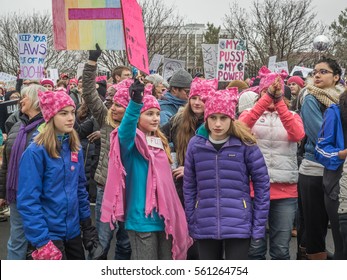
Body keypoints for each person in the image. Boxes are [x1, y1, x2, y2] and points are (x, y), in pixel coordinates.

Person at [101, 80, 193, 259]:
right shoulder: (132, 143)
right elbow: (125, 132)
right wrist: (135, 104)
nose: (156, 118)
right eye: (149, 114)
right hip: (142, 220)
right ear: (138, 117)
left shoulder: (160, 142)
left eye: (157, 114)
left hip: (164, 219)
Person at [183, 87, 270, 260]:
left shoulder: (245, 144)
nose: (217, 124)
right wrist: (192, 218)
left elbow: (262, 186)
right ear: (206, 118)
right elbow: (189, 186)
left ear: (231, 118)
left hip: (239, 222)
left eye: (223, 118)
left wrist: (258, 226)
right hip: (205, 221)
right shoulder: (195, 145)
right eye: (213, 118)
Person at [17, 90, 102, 260]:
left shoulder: (74, 148)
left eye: (72, 112)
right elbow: (28, 201)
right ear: (50, 116)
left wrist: (87, 227)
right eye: (63, 113)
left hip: (73, 232)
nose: (71, 118)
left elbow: (79, 189)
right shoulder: (35, 152)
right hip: (49, 235)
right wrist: (42, 241)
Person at [239, 67, 305, 260]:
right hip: (253, 190)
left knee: (281, 249)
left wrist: (279, 104)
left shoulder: (292, 116)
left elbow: (297, 134)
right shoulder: (249, 114)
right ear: (260, 93)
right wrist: (267, 99)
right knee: (254, 249)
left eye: (276, 94)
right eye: (267, 92)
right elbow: (241, 128)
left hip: (285, 191)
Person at [82, 45, 132, 260]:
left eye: (120, 105)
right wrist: (92, 62)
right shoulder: (105, 119)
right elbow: (89, 92)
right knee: (102, 242)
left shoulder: (141, 127)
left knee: (125, 243)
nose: (113, 107)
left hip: (131, 190)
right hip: (105, 188)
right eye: (113, 104)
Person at [161, 77, 217, 259]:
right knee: (184, 235)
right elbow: (158, 135)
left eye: (202, 98)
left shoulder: (217, 123)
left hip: (207, 188)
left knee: (202, 240)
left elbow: (221, 158)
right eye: (193, 97)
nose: (197, 102)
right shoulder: (179, 120)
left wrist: (191, 169)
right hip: (181, 187)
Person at [298, 56, 343, 259]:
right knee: (314, 230)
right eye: (314, 71)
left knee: (330, 225)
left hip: (335, 169)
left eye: (323, 71)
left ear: (336, 77)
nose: (317, 75)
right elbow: (319, 136)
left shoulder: (340, 99)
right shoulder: (310, 98)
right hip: (315, 167)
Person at [0, 84, 47, 259]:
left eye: (25, 97)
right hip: (17, 195)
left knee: (42, 244)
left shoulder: (49, 128)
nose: (21, 100)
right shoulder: (16, 126)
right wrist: (2, 192)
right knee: (16, 241)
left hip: (40, 196)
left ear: (36, 100)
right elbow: (6, 162)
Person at [315, 89, 347, 259]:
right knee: (342, 248)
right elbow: (320, 150)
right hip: (339, 190)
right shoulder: (335, 112)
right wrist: (342, 154)